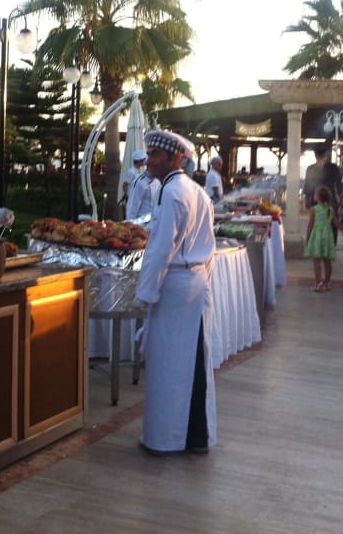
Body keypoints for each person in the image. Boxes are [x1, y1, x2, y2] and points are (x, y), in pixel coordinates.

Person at [135, 129, 216, 455]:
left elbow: (160, 249)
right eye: (149, 154)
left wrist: (145, 294)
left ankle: (165, 439)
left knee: (167, 364)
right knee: (192, 359)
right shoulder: (196, 190)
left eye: (156, 154)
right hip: (193, 282)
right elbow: (208, 245)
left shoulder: (171, 192)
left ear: (176, 158)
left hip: (175, 284)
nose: (150, 160)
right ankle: (195, 436)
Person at [304, 185, 338, 291]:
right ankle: (327, 283)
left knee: (317, 260)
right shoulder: (330, 209)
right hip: (328, 237)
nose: (313, 195)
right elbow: (336, 224)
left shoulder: (314, 209)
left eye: (315, 194)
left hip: (317, 236)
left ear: (318, 197)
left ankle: (318, 283)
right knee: (327, 261)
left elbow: (310, 225)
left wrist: (307, 238)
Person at [303, 145, 342, 211]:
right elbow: (339, 185)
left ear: (315, 156)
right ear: (325, 155)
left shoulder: (311, 169)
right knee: (331, 216)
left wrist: (306, 200)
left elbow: (307, 186)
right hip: (331, 200)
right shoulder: (333, 168)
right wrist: (341, 200)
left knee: (317, 217)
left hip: (316, 201)